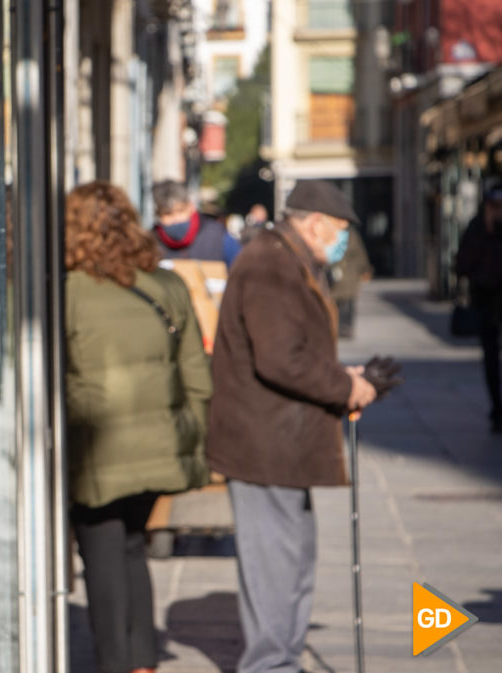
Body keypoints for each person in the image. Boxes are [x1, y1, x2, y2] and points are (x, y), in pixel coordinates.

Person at [206, 180, 378, 673]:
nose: (341, 241)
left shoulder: (289, 259)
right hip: (264, 445)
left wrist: (346, 379)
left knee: (295, 563)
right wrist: (344, 388)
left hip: (283, 443)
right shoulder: (270, 263)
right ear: (315, 222)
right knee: (274, 568)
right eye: (340, 231)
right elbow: (281, 359)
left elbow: (294, 351)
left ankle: (281, 660)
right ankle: (270, 666)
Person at [65, 181, 212, 673]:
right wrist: (189, 440)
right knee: (132, 549)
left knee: (103, 558)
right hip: (157, 447)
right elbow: (197, 375)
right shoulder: (166, 285)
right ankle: (143, 663)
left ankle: (115, 662)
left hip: (97, 451)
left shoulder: (67, 291)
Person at [456, 180, 502, 433]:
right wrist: (485, 230)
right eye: (494, 205)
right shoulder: (477, 229)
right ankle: (497, 409)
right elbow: (462, 265)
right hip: (486, 305)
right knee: (491, 360)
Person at [151, 179, 241, 268]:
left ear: (191, 206)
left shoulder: (219, 236)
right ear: (157, 214)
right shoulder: (151, 243)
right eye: (168, 214)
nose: (176, 219)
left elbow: (240, 270)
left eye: (181, 211)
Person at [329, 225, 373, 339]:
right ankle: (341, 326)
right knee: (340, 302)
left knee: (347, 302)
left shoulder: (351, 234)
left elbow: (359, 254)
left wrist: (365, 269)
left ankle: (345, 327)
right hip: (339, 273)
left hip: (348, 273)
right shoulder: (334, 232)